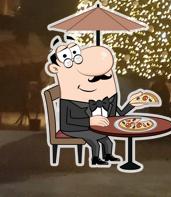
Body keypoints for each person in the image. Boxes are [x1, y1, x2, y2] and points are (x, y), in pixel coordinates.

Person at [44, 35, 160, 167]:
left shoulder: (99, 97)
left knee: (107, 140)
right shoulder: (69, 100)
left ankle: (108, 155)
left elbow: (118, 115)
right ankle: (95, 158)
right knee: (94, 139)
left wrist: (131, 104)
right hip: (72, 128)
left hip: (89, 126)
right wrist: (89, 121)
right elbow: (66, 121)